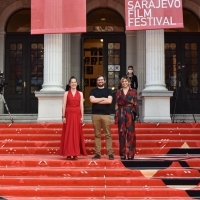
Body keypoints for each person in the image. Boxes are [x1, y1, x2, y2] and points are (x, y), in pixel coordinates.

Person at [60, 76, 87, 160]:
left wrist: (82, 116)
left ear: (77, 83)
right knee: (68, 133)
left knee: (76, 133)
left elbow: (81, 106)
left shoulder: (81, 93)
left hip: (77, 114)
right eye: (72, 82)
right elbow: (64, 105)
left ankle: (75, 153)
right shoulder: (66, 93)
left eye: (75, 82)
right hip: (68, 114)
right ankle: (68, 153)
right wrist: (63, 116)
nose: (73, 84)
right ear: (69, 84)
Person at [89, 75, 114, 160]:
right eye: (99, 80)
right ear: (97, 82)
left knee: (108, 134)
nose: (100, 81)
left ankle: (110, 153)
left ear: (104, 81)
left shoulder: (109, 91)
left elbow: (109, 101)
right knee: (97, 135)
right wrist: (103, 99)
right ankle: (97, 153)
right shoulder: (93, 91)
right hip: (95, 115)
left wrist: (97, 100)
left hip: (106, 115)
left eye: (101, 80)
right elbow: (92, 100)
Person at [115, 76, 139, 160]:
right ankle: (122, 153)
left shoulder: (133, 91)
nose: (124, 83)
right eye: (123, 81)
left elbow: (135, 103)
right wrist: (116, 115)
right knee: (121, 134)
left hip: (129, 113)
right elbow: (117, 104)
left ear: (129, 82)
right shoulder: (118, 92)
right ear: (121, 83)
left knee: (130, 134)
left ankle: (131, 154)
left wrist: (136, 114)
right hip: (121, 112)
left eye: (126, 81)